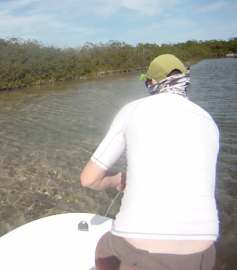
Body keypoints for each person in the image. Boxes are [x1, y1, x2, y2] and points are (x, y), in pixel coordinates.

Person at [80, 54, 219, 270]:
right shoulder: (208, 120)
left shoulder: (132, 109)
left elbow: (88, 179)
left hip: (138, 253)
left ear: (152, 82)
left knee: (101, 248)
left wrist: (119, 178)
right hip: (202, 254)